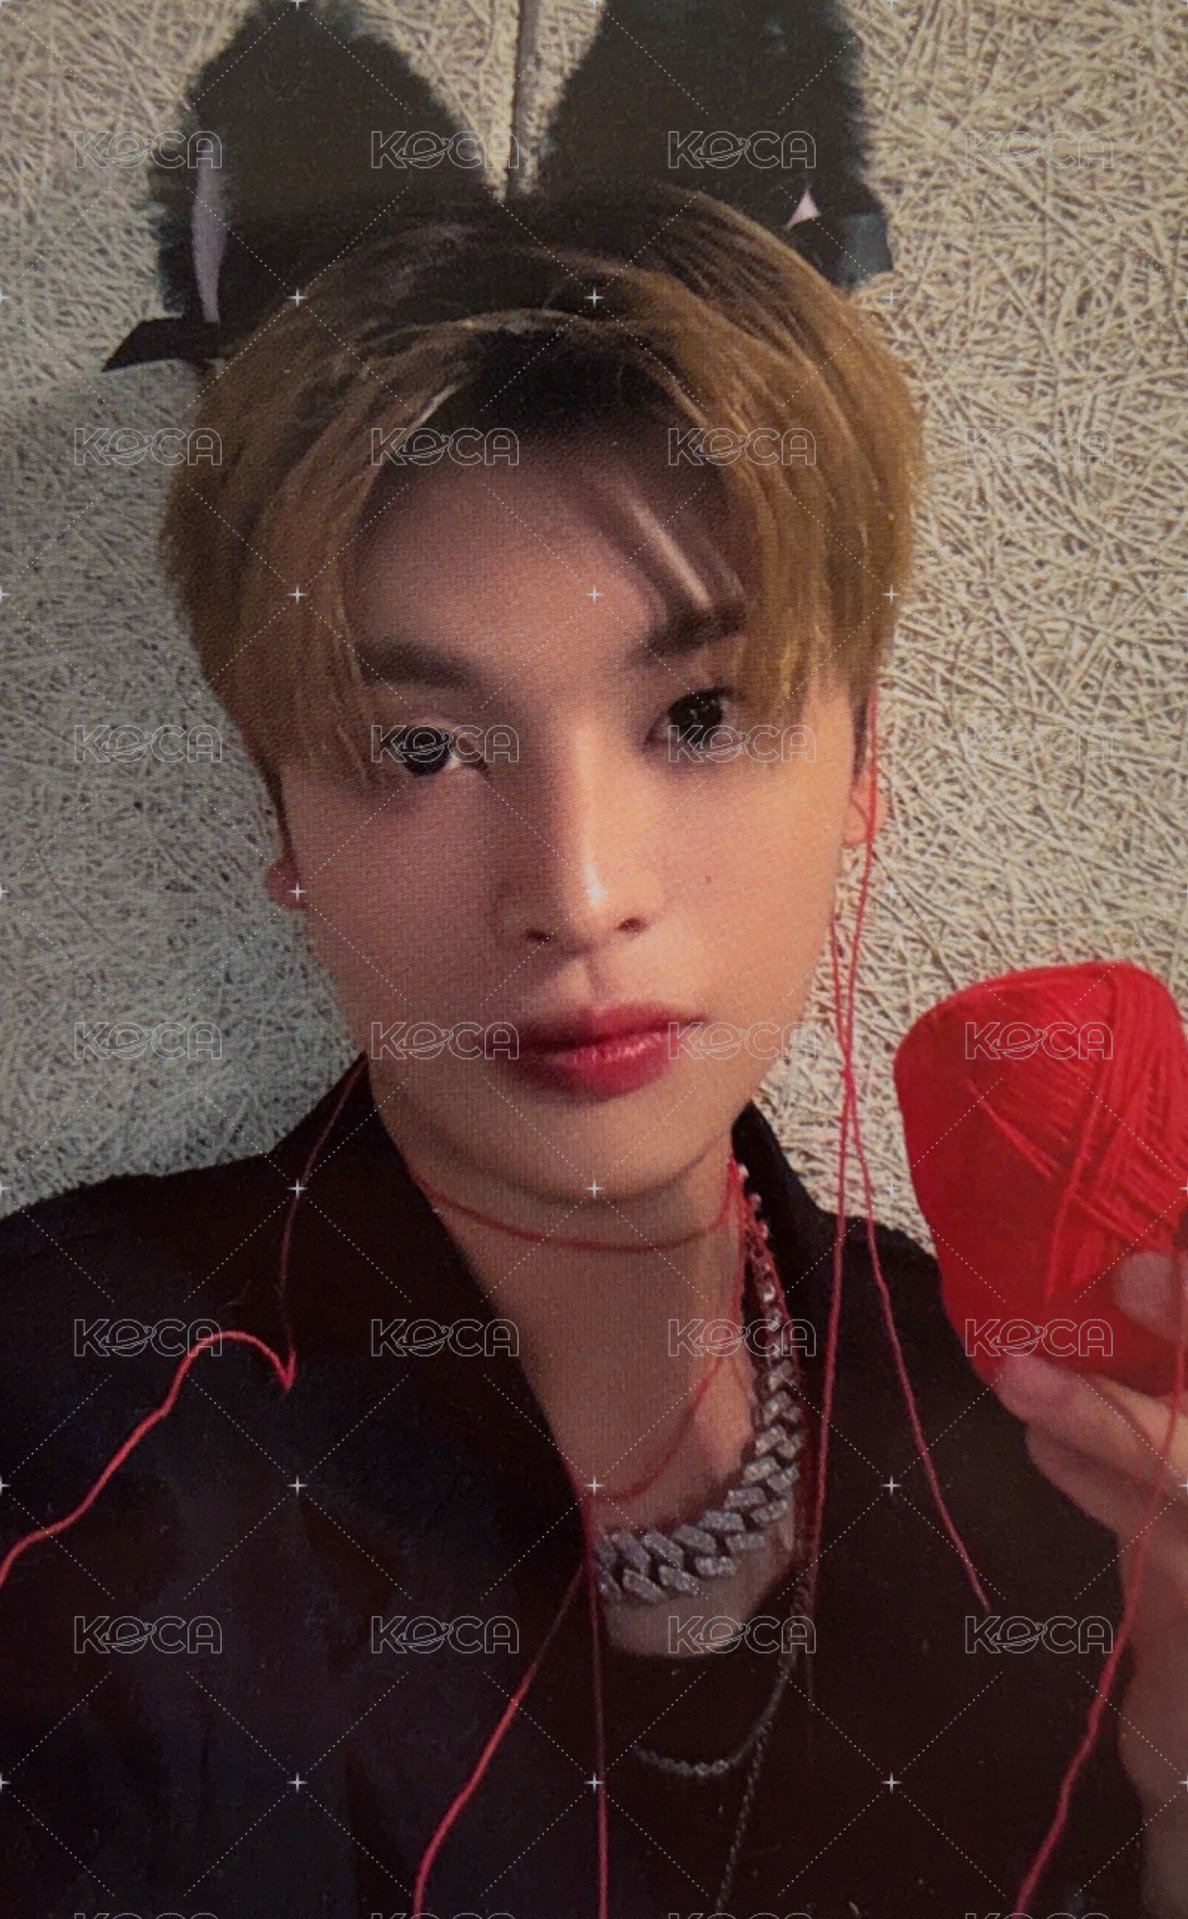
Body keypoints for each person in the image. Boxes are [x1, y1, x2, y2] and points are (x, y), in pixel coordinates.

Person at [0, 171, 1161, 1915]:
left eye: (700, 714)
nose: (579, 892)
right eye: (416, 749)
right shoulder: (52, 1421)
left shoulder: (1045, 1423)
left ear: (860, 757)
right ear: (280, 818)